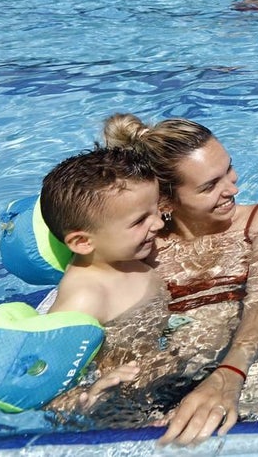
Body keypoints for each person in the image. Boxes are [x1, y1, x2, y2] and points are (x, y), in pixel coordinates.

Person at [102, 114, 258, 446]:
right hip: (166, 367)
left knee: (249, 437)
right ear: (165, 202)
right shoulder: (143, 246)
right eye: (210, 186)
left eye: (228, 170)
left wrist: (230, 373)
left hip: (245, 358)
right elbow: (121, 326)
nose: (232, 188)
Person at [39, 147, 165, 414]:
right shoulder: (85, 299)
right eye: (141, 220)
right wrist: (93, 394)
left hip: (160, 372)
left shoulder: (125, 253)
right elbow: (49, 395)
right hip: (127, 406)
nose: (158, 225)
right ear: (83, 241)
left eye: (156, 210)